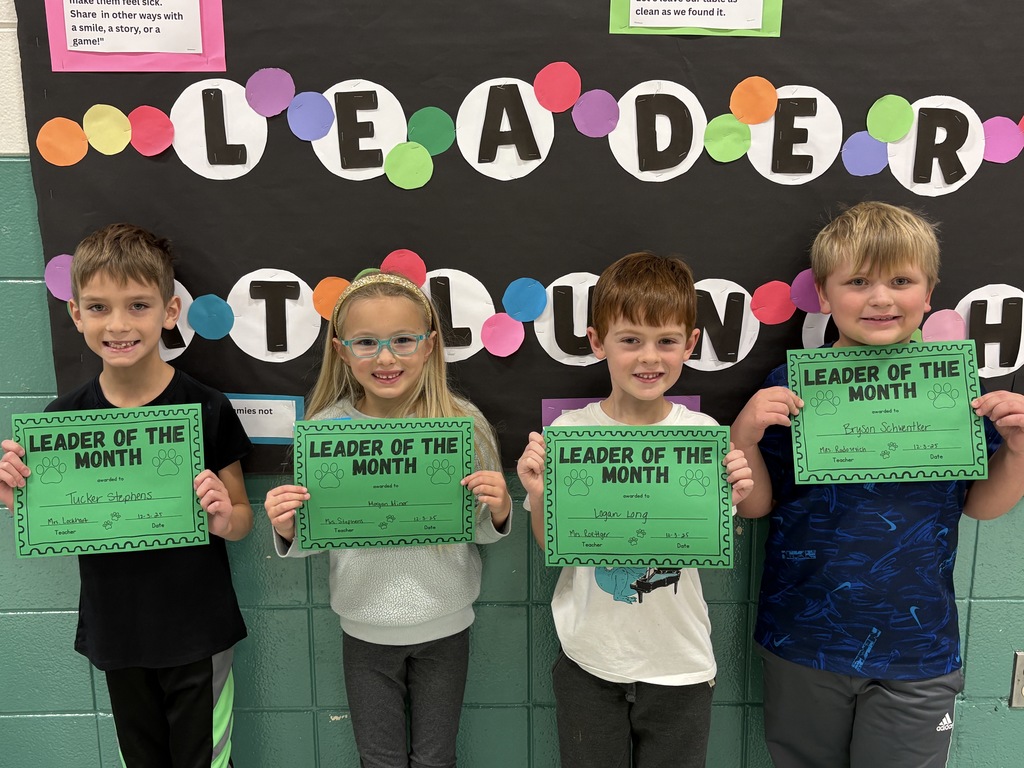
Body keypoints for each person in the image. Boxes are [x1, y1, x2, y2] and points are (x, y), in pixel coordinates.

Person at [732, 201, 1024, 768]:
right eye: (858, 282)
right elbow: (758, 505)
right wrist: (743, 434)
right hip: (804, 639)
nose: (881, 298)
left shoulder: (955, 392)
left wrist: (1016, 450)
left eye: (901, 281)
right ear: (824, 295)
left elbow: (981, 507)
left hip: (918, 650)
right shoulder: (789, 388)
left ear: (929, 293)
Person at [0, 223, 253, 767]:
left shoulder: (206, 407)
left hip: (197, 630)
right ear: (76, 315)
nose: (118, 324)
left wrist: (221, 516)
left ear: (169, 311)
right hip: (117, 631)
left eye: (138, 305)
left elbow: (242, 520)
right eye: (98, 307)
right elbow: (54, 521)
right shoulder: (61, 420)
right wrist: (19, 497)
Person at [264, 270, 512, 768]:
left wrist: (500, 508)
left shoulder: (461, 423)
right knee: (378, 761)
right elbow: (318, 534)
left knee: (436, 760)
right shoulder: (325, 429)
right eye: (366, 343)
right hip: (364, 627)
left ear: (430, 345)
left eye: (402, 340)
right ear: (341, 351)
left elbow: (481, 530)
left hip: (446, 623)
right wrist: (288, 527)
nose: (385, 358)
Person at [517, 251, 753, 768]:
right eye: (630, 340)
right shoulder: (569, 434)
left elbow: (708, 539)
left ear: (690, 343)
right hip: (590, 658)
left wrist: (728, 502)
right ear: (597, 341)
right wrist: (537, 495)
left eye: (666, 341)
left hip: (679, 662)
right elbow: (551, 544)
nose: (650, 358)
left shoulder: (703, 436)